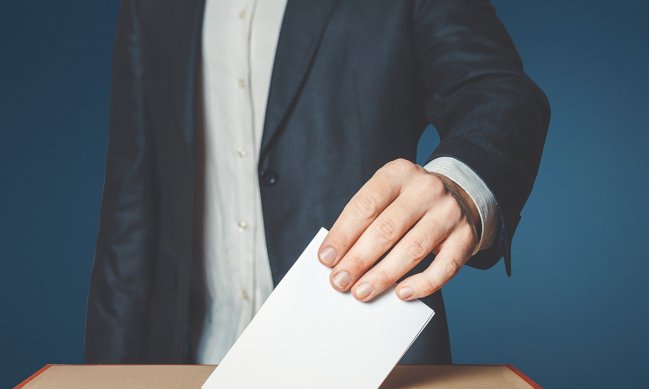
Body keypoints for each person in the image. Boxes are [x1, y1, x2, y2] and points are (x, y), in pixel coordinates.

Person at [85, 0, 549, 365]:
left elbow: (496, 90)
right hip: (184, 370)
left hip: (369, 368)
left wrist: (461, 182)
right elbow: (132, 202)